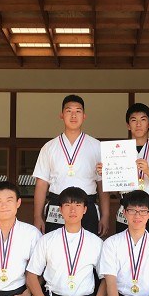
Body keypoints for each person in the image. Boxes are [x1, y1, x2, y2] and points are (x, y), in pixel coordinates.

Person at [32, 94, 110, 236]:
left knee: (88, 251)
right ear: (61, 115)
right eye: (69, 111)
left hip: (87, 205)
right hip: (57, 205)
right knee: (55, 250)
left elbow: (102, 183)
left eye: (78, 111)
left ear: (84, 116)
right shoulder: (49, 147)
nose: (73, 115)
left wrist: (105, 215)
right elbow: (41, 184)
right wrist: (37, 216)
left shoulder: (97, 146)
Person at [26, 186, 106, 296]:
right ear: (60, 210)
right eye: (67, 205)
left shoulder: (96, 242)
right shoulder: (46, 240)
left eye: (78, 205)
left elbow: (106, 277)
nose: (73, 210)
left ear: (85, 209)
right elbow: (31, 275)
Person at [105, 103, 149, 238]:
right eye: (133, 120)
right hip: (127, 208)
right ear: (128, 125)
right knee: (125, 251)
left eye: (143, 120)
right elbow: (114, 191)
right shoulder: (117, 151)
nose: (138, 124)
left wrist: (148, 171)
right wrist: (107, 174)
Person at [99, 190, 149, 296]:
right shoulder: (111, 243)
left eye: (143, 211)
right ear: (125, 213)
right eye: (132, 211)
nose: (137, 216)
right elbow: (110, 282)